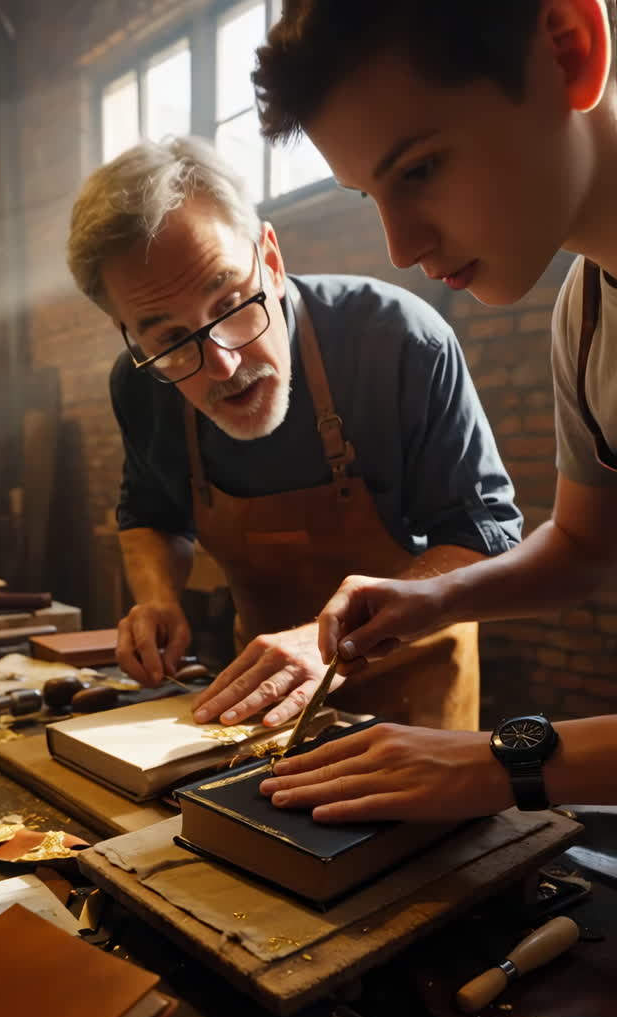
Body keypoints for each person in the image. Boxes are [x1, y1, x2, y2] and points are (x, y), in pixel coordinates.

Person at [252, 0, 617, 822]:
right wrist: (434, 600)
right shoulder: (586, 315)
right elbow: (588, 546)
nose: (400, 247)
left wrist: (505, 763)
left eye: (418, 169)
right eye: (370, 195)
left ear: (568, 49)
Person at [67, 136, 521, 732]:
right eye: (169, 340)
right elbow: (150, 513)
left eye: (230, 304)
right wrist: (157, 597)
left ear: (271, 260)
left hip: (415, 706)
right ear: (126, 331)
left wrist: (326, 643)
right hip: (263, 712)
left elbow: (484, 540)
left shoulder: (398, 341)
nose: (223, 365)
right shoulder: (141, 385)